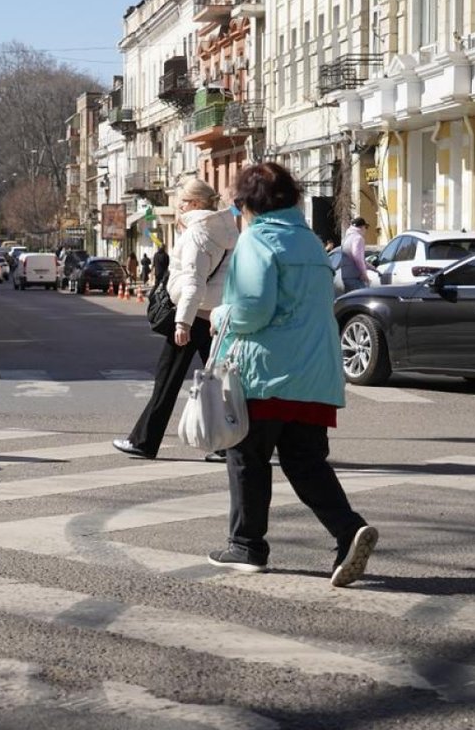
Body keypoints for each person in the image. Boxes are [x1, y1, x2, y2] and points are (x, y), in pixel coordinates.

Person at [206, 162, 378, 588]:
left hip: (265, 371)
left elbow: (250, 310)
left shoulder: (257, 241)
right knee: (306, 463)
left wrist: (220, 315)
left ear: (246, 204)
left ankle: (246, 545)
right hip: (314, 375)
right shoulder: (309, 241)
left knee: (247, 458)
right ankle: (347, 530)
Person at [113, 178, 238, 463]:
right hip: (214, 318)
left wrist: (182, 322)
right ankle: (228, 445)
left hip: (193, 316)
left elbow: (194, 281)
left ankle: (143, 441)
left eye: (181, 201)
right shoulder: (228, 229)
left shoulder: (198, 232)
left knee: (166, 381)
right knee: (220, 382)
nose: (178, 206)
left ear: (195, 204)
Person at [339, 218, 370, 291]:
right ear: (362, 227)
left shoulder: (347, 238)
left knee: (351, 300)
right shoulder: (358, 238)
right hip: (355, 277)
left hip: (346, 275)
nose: (365, 230)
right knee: (363, 299)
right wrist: (364, 273)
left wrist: (373, 268)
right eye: (366, 227)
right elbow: (358, 258)